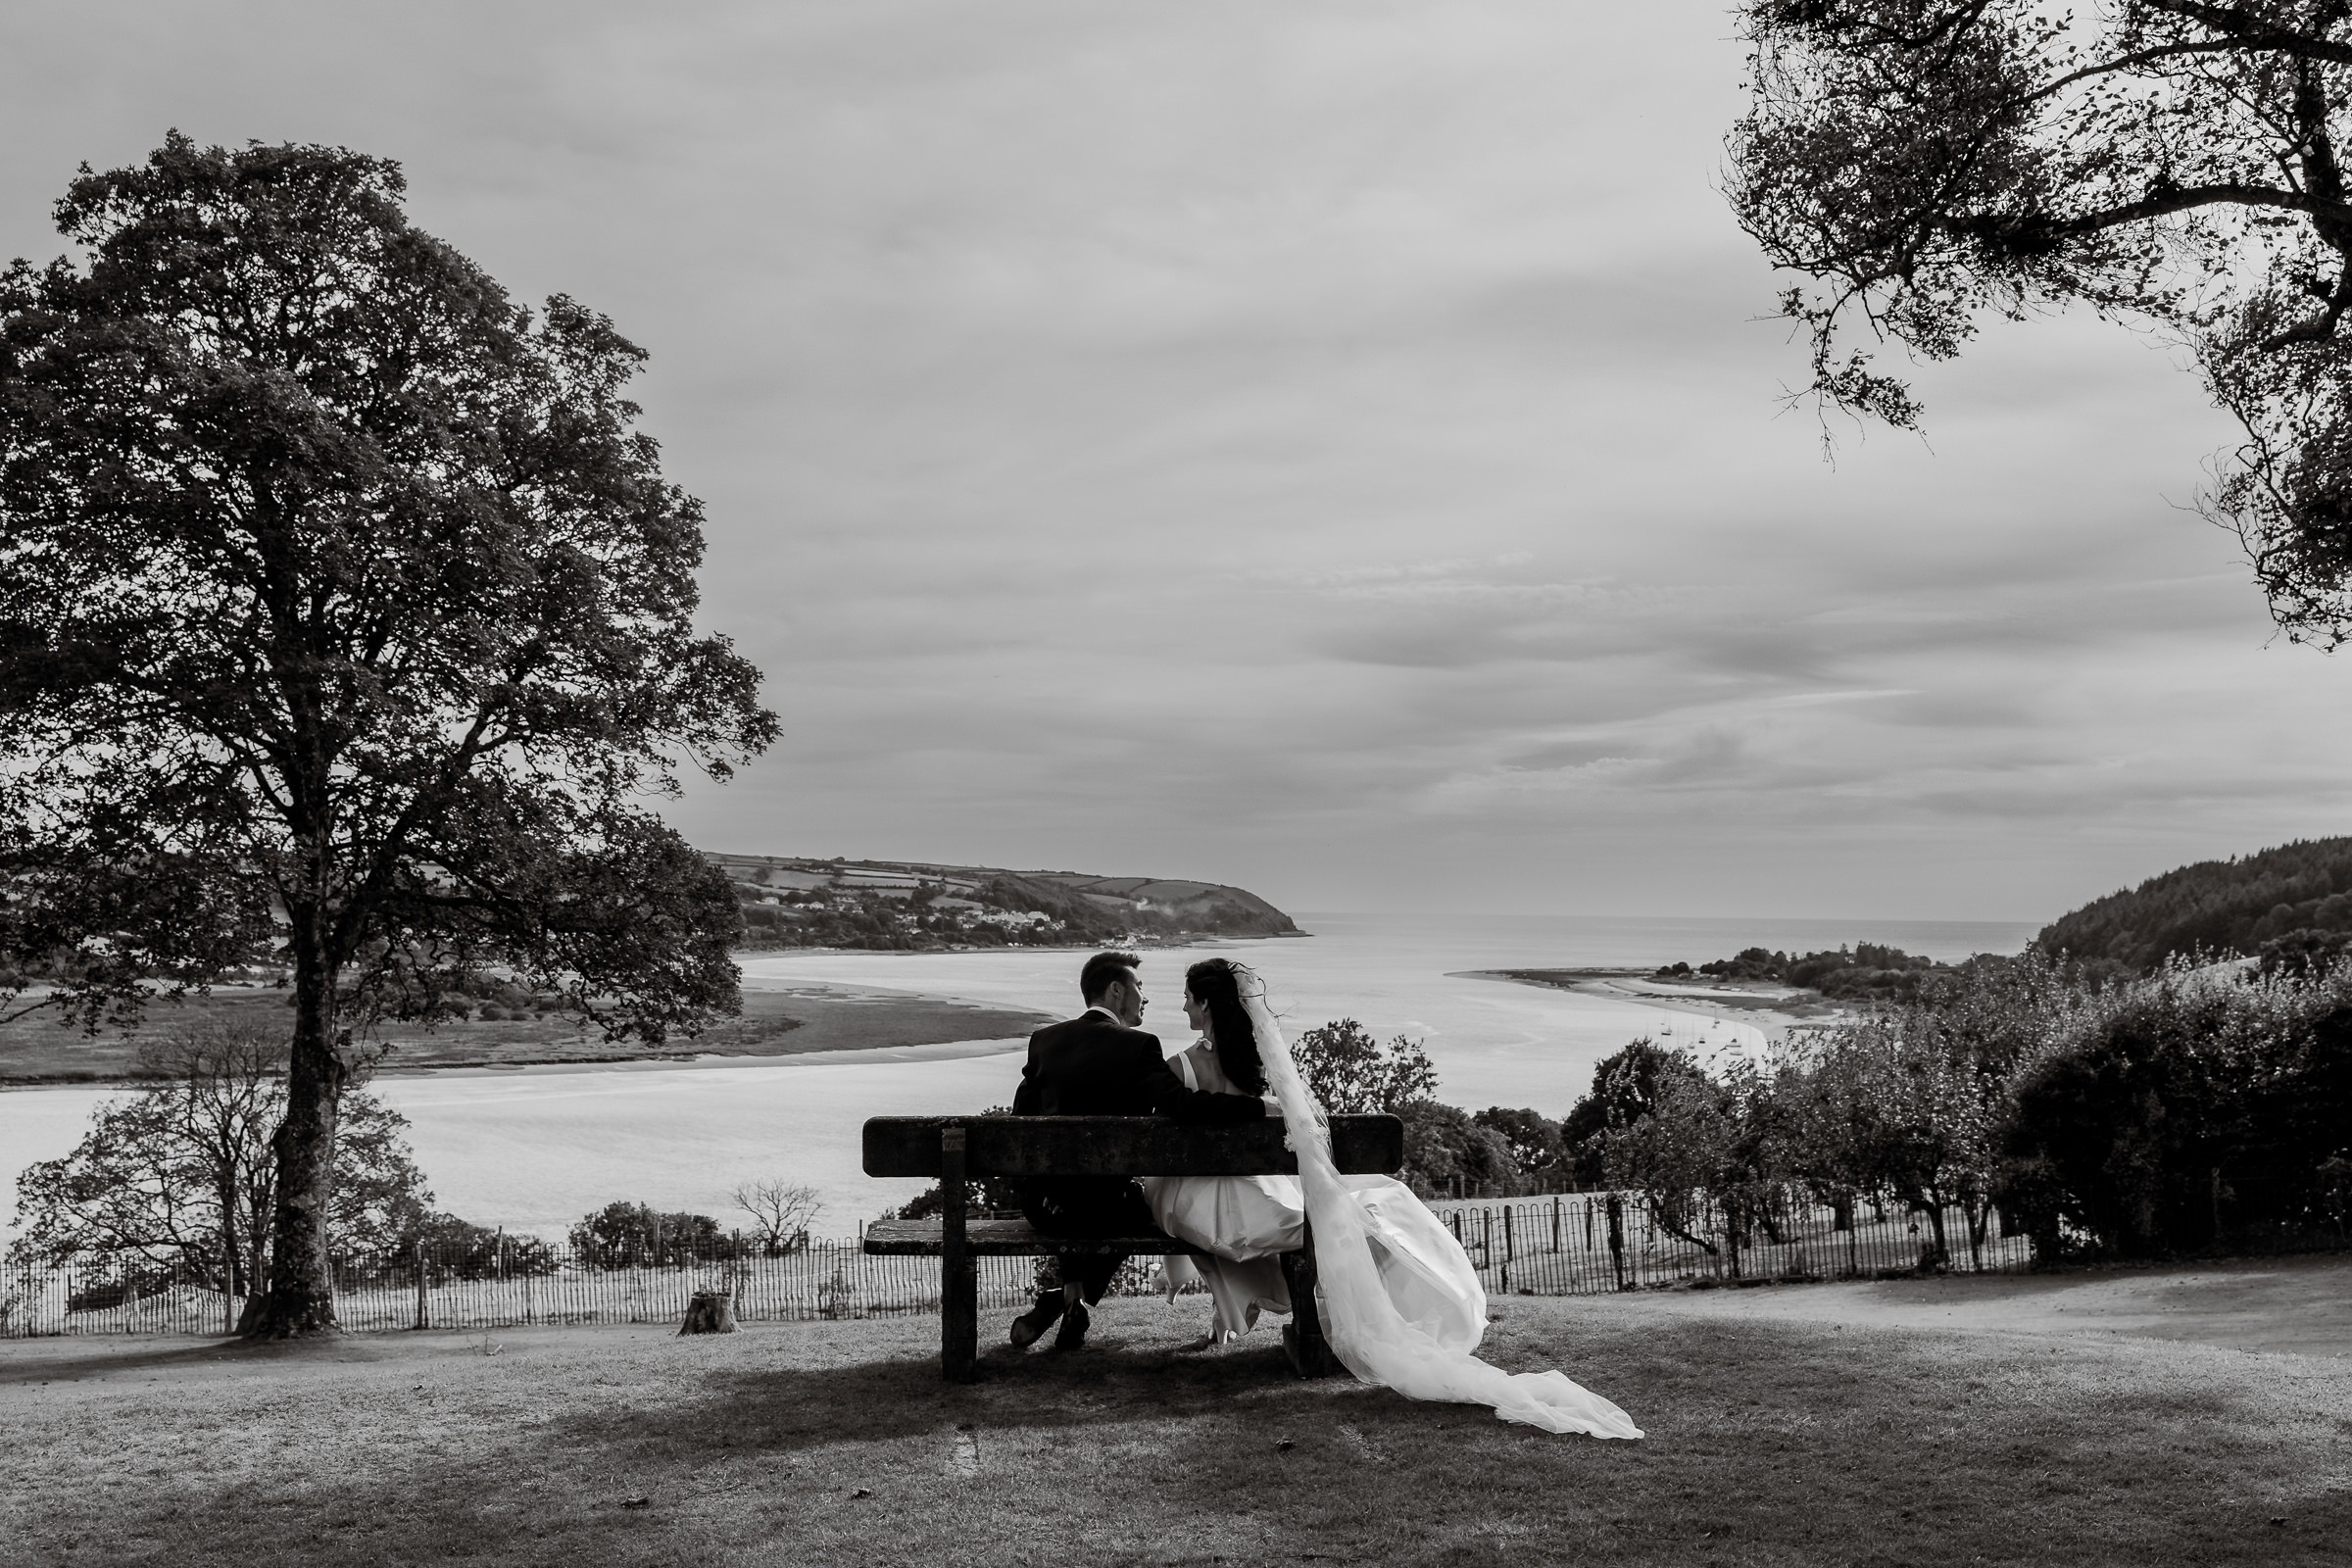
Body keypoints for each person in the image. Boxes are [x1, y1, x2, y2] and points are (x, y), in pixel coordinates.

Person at [1149, 956, 1643, 1440]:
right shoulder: (1262, 1071)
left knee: (1221, 1203)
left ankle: (1275, 1311)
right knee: (1378, 1198)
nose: (1185, 1010)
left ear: (1207, 1005)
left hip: (1211, 1215)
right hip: (1262, 1205)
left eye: (1188, 1000)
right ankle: (1375, 1312)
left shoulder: (1179, 1069)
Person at [1005, 950, 1265, 1352]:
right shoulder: (1139, 1047)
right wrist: (1257, 1108)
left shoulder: (1044, 1041)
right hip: (1109, 1208)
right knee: (1134, 1207)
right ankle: (1063, 1299)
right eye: (1139, 987)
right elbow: (1183, 1106)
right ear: (1115, 990)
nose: (1146, 997)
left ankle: (1067, 1298)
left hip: (1045, 1205)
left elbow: (1019, 1120)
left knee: (1076, 1202)